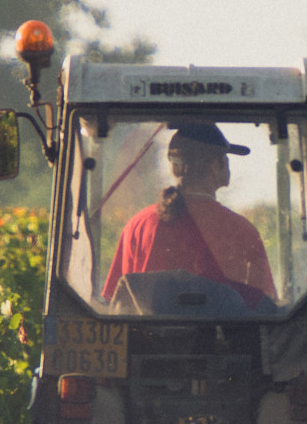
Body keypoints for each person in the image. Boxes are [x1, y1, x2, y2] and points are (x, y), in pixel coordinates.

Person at [103, 122, 276, 303]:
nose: (228, 165)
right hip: (220, 332)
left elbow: (114, 301)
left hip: (147, 332)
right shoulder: (242, 231)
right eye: (225, 159)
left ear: (173, 167)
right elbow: (265, 306)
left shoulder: (137, 226)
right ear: (215, 166)